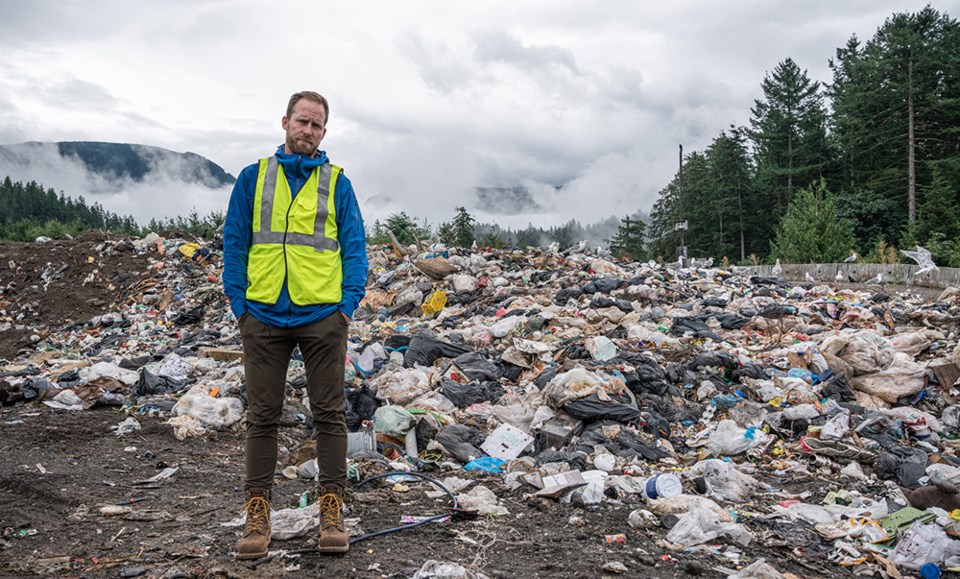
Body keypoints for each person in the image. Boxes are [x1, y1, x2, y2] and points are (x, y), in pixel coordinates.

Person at [223, 91, 368, 559]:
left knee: (329, 416)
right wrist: (239, 305)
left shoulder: (336, 183)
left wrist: (345, 307)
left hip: (323, 317)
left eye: (317, 126)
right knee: (261, 418)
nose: (308, 131)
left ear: (324, 133)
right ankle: (257, 515)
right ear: (285, 122)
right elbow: (235, 241)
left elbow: (354, 247)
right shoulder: (254, 178)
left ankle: (331, 510)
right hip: (262, 316)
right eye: (302, 122)